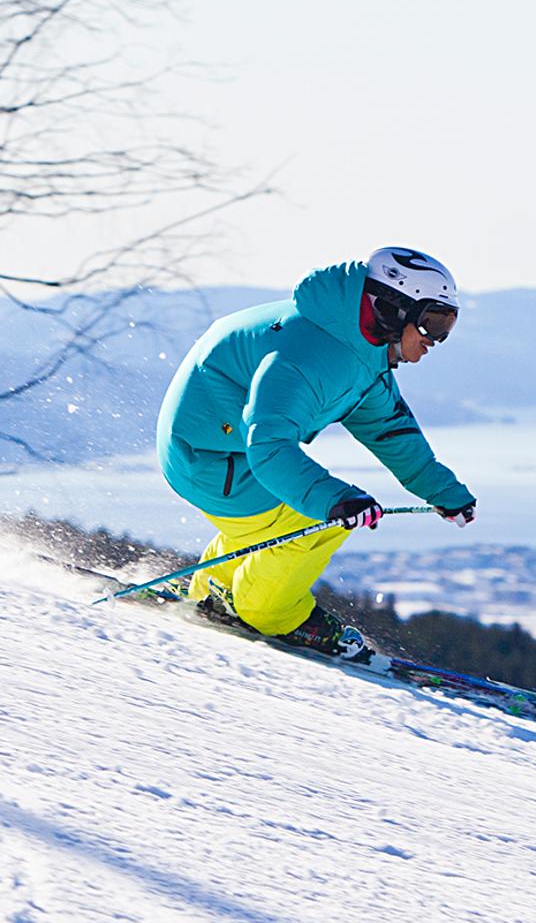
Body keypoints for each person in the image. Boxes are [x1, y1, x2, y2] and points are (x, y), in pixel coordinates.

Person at [155, 246, 477, 654]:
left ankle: (214, 591)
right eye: (432, 322)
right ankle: (268, 614)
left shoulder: (360, 352)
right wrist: (335, 501)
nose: (436, 340)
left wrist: (443, 491)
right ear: (393, 308)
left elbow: (390, 431)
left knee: (280, 518)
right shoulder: (307, 355)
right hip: (207, 457)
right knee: (308, 521)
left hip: (224, 450)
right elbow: (269, 447)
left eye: (446, 325)